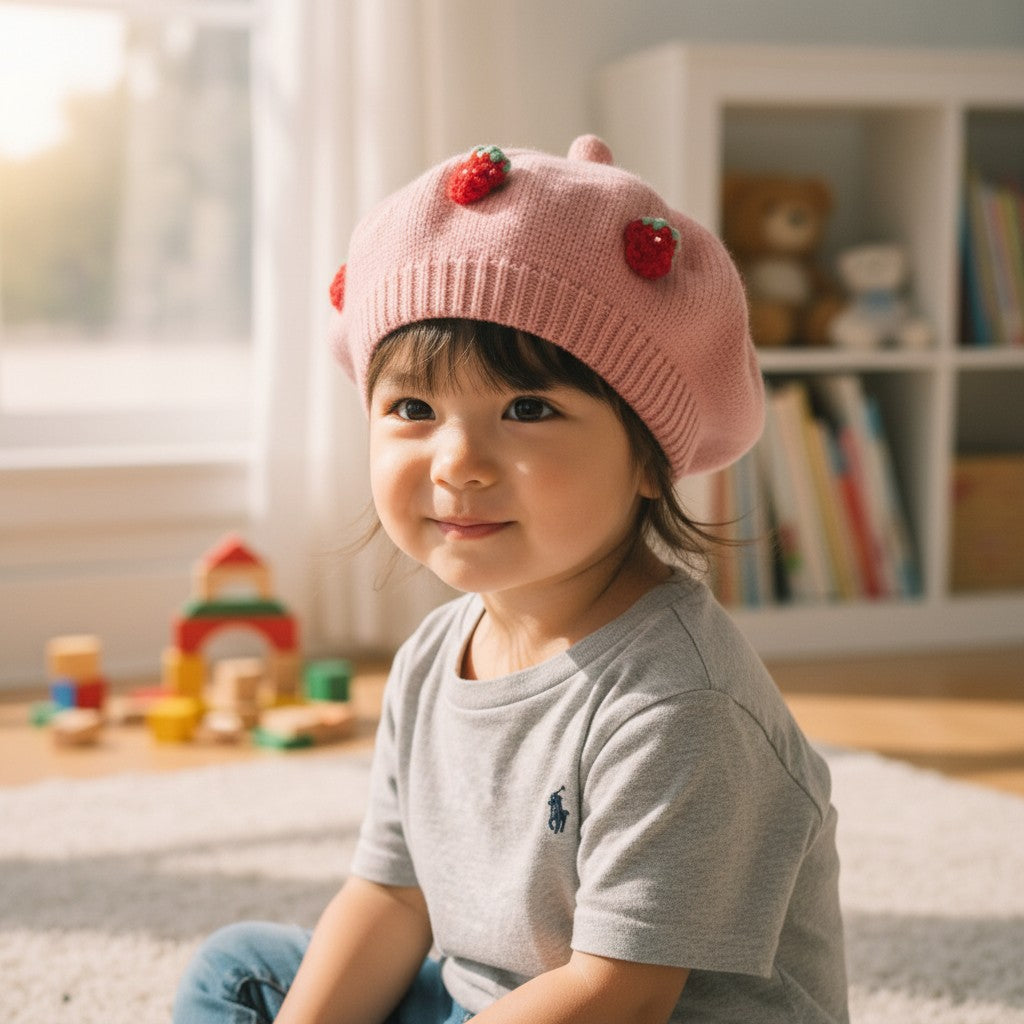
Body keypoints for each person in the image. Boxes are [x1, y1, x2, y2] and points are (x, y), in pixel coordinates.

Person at [173, 135, 848, 1024]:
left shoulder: (680, 702)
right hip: (491, 1002)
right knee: (240, 972)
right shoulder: (433, 658)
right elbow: (394, 898)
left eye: (527, 410)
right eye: (413, 409)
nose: (457, 462)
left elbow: (619, 995)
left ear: (651, 461)